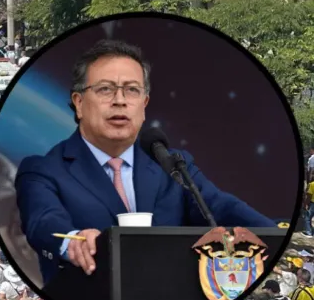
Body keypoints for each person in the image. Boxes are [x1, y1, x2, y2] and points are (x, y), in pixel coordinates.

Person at [19, 40, 276, 285]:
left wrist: (277, 238)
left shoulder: (172, 165)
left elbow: (220, 205)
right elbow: (43, 220)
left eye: (132, 90)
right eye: (105, 89)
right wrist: (73, 240)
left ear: (144, 104)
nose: (120, 100)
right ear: (79, 103)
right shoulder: (43, 170)